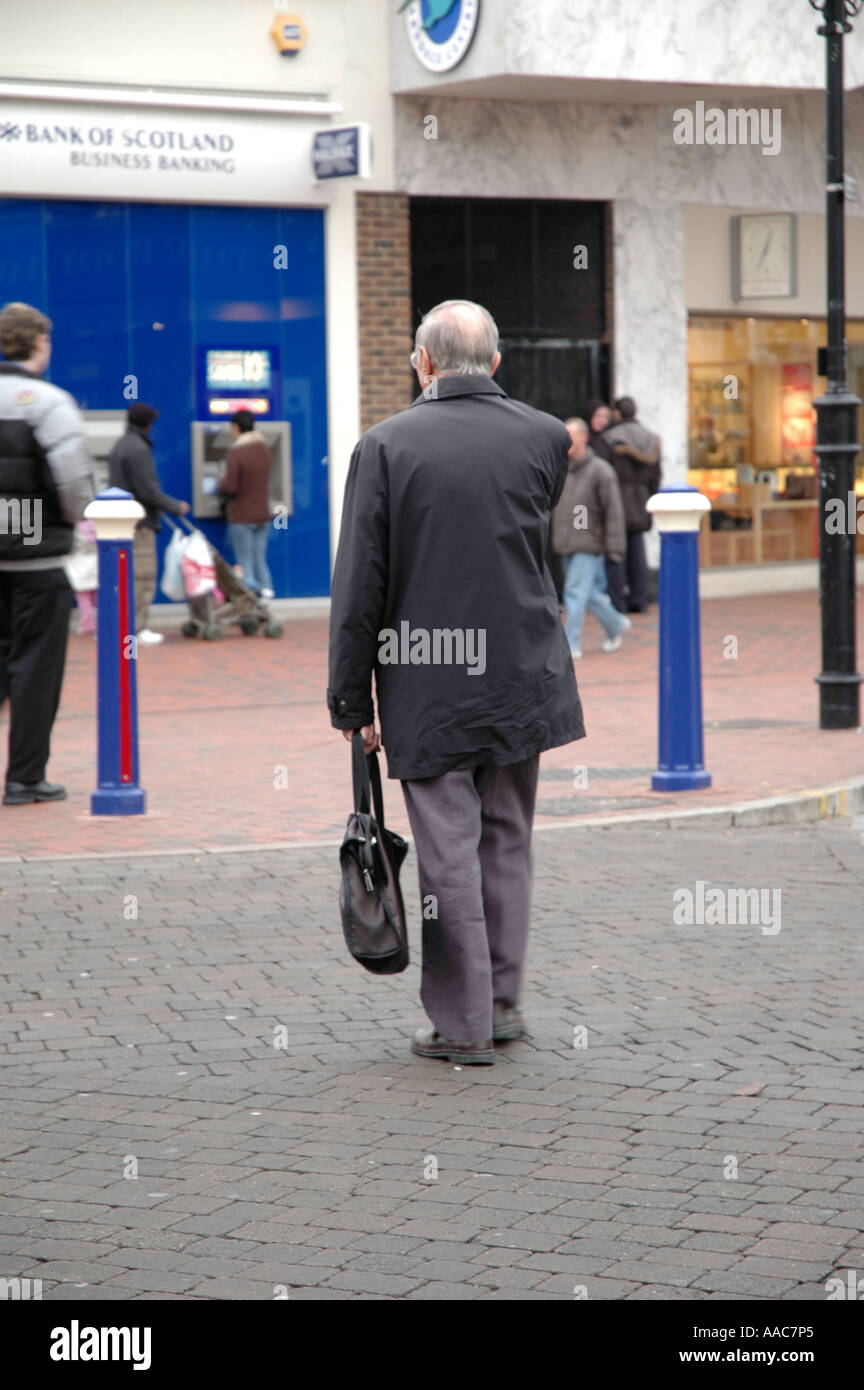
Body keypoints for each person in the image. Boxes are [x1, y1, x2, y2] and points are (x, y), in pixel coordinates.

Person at [328, 299, 584, 1065]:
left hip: (427, 677)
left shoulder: (385, 445)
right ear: (496, 363)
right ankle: (501, 1007)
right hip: (522, 673)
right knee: (507, 842)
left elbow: (360, 584)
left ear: (423, 362)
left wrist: (351, 698)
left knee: (447, 853)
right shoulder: (546, 437)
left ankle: (462, 1022)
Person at [0, 300, 93, 804]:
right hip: (36, 558)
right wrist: (77, 520)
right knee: (36, 668)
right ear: (40, 342)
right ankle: (24, 777)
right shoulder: (50, 402)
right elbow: (74, 482)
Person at [108, 403, 189, 645]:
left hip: (122, 520)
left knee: (123, 577)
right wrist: (175, 506)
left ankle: (119, 627)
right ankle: (137, 628)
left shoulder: (121, 445)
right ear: (147, 423)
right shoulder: (138, 449)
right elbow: (148, 490)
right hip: (139, 522)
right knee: (143, 575)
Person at [551, 418, 629, 659]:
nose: (566, 442)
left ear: (584, 437)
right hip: (565, 543)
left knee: (574, 592)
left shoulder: (601, 471)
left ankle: (571, 644)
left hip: (589, 543)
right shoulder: (560, 468)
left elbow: (614, 512)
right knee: (589, 594)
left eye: (571, 436)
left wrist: (615, 548)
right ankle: (616, 624)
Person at [604, 396, 661, 613]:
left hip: (619, 499)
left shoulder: (611, 438)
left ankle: (618, 601)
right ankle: (640, 598)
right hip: (642, 499)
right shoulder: (652, 439)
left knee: (618, 551)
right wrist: (650, 499)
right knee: (638, 549)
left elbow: (607, 472)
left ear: (618, 414)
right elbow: (656, 475)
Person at [218, 410, 275, 598]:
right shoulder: (264, 449)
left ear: (236, 427)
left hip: (242, 515)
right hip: (262, 514)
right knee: (260, 558)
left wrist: (219, 483)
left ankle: (250, 599)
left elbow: (230, 487)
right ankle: (267, 593)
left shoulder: (236, 452)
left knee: (245, 562)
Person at [587, 400, 627, 614]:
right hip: (589, 510)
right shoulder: (587, 444)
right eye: (597, 416)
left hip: (608, 505)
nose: (601, 421)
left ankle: (613, 606)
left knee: (612, 553)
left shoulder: (611, 441)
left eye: (605, 417)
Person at [65, 517, 99, 634]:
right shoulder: (96, 524)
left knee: (82, 596)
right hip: (95, 563)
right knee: (98, 596)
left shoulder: (75, 527)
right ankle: (106, 622)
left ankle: (87, 623)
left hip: (79, 565)